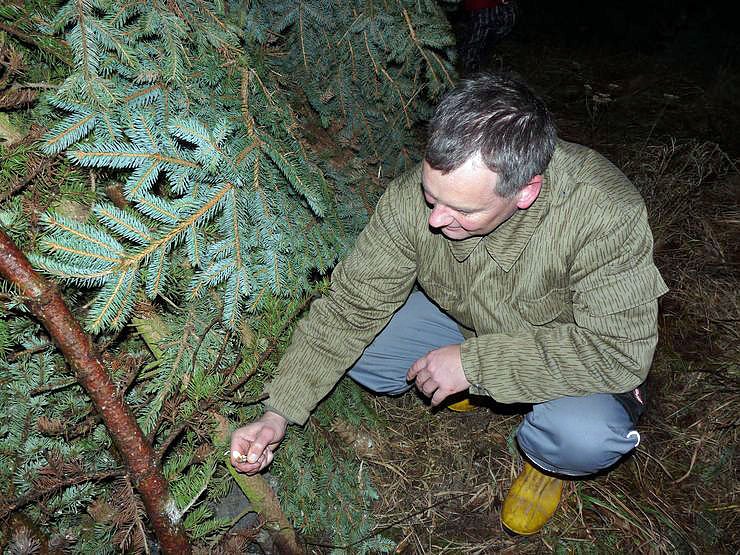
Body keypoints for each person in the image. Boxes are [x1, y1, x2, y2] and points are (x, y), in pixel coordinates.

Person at [230, 72, 668, 535]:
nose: (436, 219)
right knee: (372, 354)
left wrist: (474, 366)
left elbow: (618, 353)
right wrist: (278, 412)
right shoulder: (414, 200)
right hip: (469, 324)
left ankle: (547, 463)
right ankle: (469, 385)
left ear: (527, 192)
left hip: (571, 353)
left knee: (582, 436)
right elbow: (351, 306)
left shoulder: (603, 213)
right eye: (431, 195)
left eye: (462, 210)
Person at [459, 0, 518, 74]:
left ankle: (485, 50)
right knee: (477, 36)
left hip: (500, 5)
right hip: (481, 5)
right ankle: (468, 68)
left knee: (508, 21)